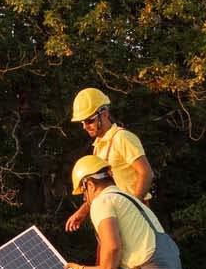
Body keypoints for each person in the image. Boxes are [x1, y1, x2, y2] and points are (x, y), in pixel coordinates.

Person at [63, 87, 154, 233]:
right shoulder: (98, 147)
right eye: (82, 123)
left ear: (104, 114)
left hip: (136, 214)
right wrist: (83, 211)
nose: (85, 126)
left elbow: (146, 173)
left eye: (89, 121)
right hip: (116, 214)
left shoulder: (122, 138)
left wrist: (132, 207)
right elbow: (98, 189)